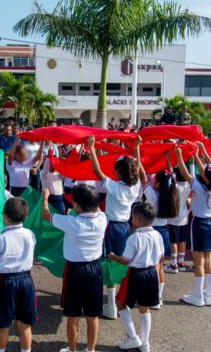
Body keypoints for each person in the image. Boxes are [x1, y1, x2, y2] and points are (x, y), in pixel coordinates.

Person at [42, 184, 106, 352]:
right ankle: (91, 349)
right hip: (94, 269)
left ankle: (72, 350)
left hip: (75, 271)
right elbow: (96, 208)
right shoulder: (102, 219)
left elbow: (45, 214)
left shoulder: (72, 222)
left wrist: (45, 198)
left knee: (73, 315)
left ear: (77, 205)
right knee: (92, 316)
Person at [86, 135, 142, 320]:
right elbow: (140, 169)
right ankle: (118, 300)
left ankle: (111, 306)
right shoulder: (135, 187)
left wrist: (92, 148)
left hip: (110, 227)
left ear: (118, 173)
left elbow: (96, 170)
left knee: (109, 262)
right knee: (119, 261)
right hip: (125, 227)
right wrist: (137, 149)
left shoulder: (114, 187)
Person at [0, 198, 37, 352]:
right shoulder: (30, 235)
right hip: (26, 280)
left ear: (4, 217)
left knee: (4, 324)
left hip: (7, 282)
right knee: (25, 324)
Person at [108, 202, 164, 352]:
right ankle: (145, 343)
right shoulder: (157, 235)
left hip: (136, 274)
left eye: (132, 216)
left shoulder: (134, 238)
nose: (131, 218)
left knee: (120, 302)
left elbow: (126, 260)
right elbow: (161, 256)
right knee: (144, 307)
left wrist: (113, 256)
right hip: (152, 273)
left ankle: (132, 337)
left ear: (138, 220)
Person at [174, 144, 211, 307]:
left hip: (199, 224)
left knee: (198, 262)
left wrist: (179, 155)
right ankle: (209, 295)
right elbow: (208, 171)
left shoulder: (200, 187)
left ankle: (198, 296)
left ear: (206, 176)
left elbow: (185, 174)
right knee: (208, 261)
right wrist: (197, 155)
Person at [141, 170, 178, 310]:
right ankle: (159, 297)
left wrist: (137, 155)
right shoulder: (170, 196)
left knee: (152, 267)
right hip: (163, 232)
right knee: (160, 266)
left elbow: (143, 177)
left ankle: (153, 298)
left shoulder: (152, 196)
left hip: (152, 232)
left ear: (158, 183)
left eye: (155, 179)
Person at [165, 164, 192, 274]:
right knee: (182, 240)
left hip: (173, 217)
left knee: (173, 241)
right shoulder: (189, 185)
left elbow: (171, 175)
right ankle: (181, 262)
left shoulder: (174, 186)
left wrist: (167, 160)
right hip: (184, 217)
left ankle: (173, 263)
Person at [40, 147, 65, 214]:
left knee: (60, 216)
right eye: (51, 164)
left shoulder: (59, 173)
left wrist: (63, 162)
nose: (53, 166)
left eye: (54, 164)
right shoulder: (43, 173)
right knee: (47, 217)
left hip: (59, 198)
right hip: (48, 198)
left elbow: (65, 171)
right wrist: (49, 157)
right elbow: (46, 169)